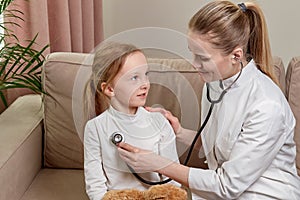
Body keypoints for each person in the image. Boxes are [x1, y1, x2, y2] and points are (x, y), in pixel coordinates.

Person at [117, 1, 300, 199]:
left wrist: (158, 163)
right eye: (192, 53)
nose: (195, 64)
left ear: (236, 56)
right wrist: (178, 132)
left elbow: (227, 185)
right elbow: (223, 147)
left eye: (202, 58)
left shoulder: (267, 106)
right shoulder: (214, 84)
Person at [83, 41, 180, 200]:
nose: (145, 84)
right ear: (109, 89)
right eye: (134, 77)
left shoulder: (159, 122)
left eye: (145, 75)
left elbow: (173, 178)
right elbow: (95, 186)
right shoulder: (95, 128)